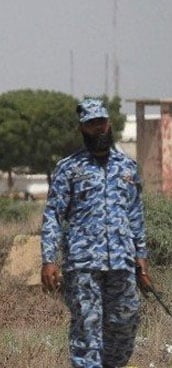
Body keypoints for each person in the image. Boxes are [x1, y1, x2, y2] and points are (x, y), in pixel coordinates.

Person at [41, 98, 152, 368]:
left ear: (109, 123)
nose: (99, 128)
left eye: (101, 122)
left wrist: (142, 256)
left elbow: (135, 214)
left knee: (125, 324)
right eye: (92, 124)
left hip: (122, 263)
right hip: (83, 265)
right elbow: (53, 215)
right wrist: (49, 259)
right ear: (82, 129)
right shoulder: (69, 168)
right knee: (86, 329)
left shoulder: (127, 167)